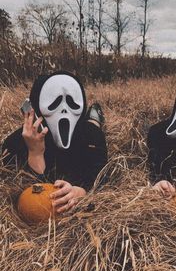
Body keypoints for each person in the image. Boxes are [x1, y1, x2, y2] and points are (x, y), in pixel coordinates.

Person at [2, 71, 107, 213]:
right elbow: (32, 193)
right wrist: (35, 153)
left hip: (87, 128)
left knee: (93, 123)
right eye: (54, 103)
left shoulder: (92, 135)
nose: (64, 110)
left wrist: (81, 192)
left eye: (72, 102)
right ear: (36, 110)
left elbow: (100, 173)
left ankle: (94, 114)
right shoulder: (15, 143)